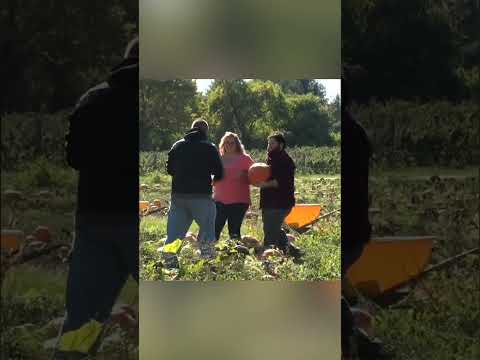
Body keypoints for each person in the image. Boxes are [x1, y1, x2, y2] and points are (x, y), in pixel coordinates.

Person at [56, 37, 139, 359]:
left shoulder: (92, 98)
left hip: (95, 216)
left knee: (82, 318)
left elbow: (74, 157)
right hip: (137, 219)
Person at [163, 119, 224, 269]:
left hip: (178, 196)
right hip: (201, 197)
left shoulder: (177, 145)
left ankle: (170, 266)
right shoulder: (209, 147)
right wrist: (211, 179)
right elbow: (219, 172)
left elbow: (169, 169)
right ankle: (206, 266)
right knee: (207, 232)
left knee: (174, 234)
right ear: (205, 132)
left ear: (191, 129)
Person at [258, 133, 302, 259]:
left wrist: (262, 184)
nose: (269, 146)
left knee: (270, 233)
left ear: (281, 145)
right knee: (273, 229)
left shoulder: (284, 160)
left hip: (279, 203)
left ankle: (269, 258)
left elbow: (279, 182)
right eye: (268, 143)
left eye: (272, 143)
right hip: (270, 202)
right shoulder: (272, 158)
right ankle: (294, 252)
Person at [213, 132, 254, 241]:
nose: (229, 145)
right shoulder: (218, 159)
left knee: (234, 232)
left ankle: (236, 255)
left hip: (239, 201)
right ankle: (209, 253)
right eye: (227, 142)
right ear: (223, 144)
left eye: (232, 143)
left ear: (237, 144)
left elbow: (255, 177)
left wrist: (244, 175)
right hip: (220, 200)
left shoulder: (245, 159)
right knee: (214, 229)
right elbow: (211, 178)